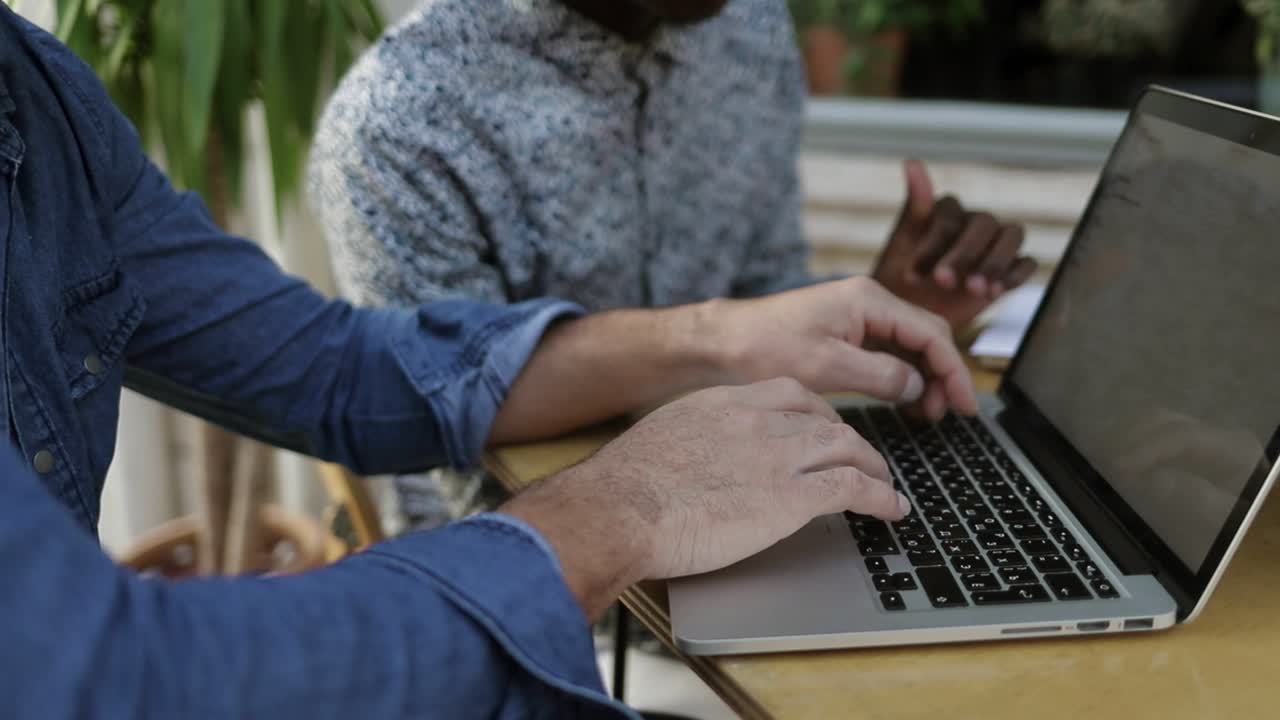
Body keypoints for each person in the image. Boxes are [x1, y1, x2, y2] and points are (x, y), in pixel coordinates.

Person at [1, 6, 977, 717]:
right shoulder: (406, 110)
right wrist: (625, 506)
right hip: (554, 626)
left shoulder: (37, 98)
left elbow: (335, 366)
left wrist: (718, 336)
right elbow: (114, 681)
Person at [308, 0, 1037, 525]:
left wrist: (878, 312)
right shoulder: (401, 123)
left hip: (766, 513)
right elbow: (447, 440)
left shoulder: (748, 28)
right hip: (542, 602)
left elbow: (764, 288)